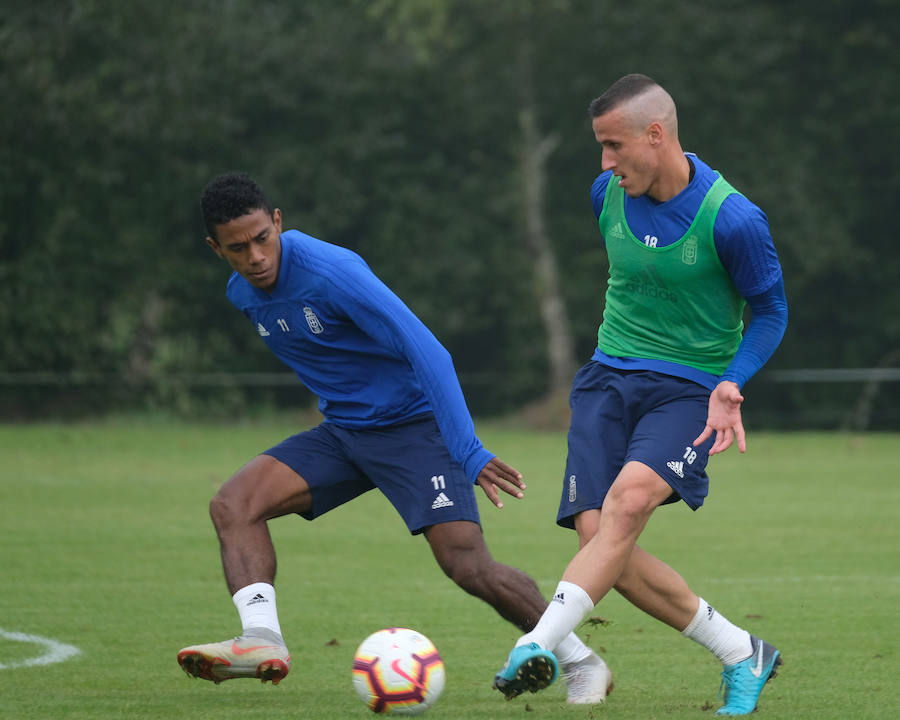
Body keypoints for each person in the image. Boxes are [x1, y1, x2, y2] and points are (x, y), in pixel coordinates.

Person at [177, 172, 612, 703]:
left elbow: (429, 353)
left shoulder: (333, 273)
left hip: (414, 430)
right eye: (237, 248)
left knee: (467, 565)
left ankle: (580, 661)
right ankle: (261, 639)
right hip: (344, 434)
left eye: (262, 238)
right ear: (215, 248)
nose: (255, 257)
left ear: (278, 223)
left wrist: (467, 449)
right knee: (233, 504)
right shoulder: (240, 293)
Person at [492, 74, 788, 716]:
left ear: (656, 135)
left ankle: (537, 642)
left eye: (613, 145)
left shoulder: (733, 218)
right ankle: (743, 652)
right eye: (599, 147)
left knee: (624, 509)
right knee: (605, 546)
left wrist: (731, 382)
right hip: (606, 380)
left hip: (689, 390)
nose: (604, 163)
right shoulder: (607, 193)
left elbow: (770, 310)